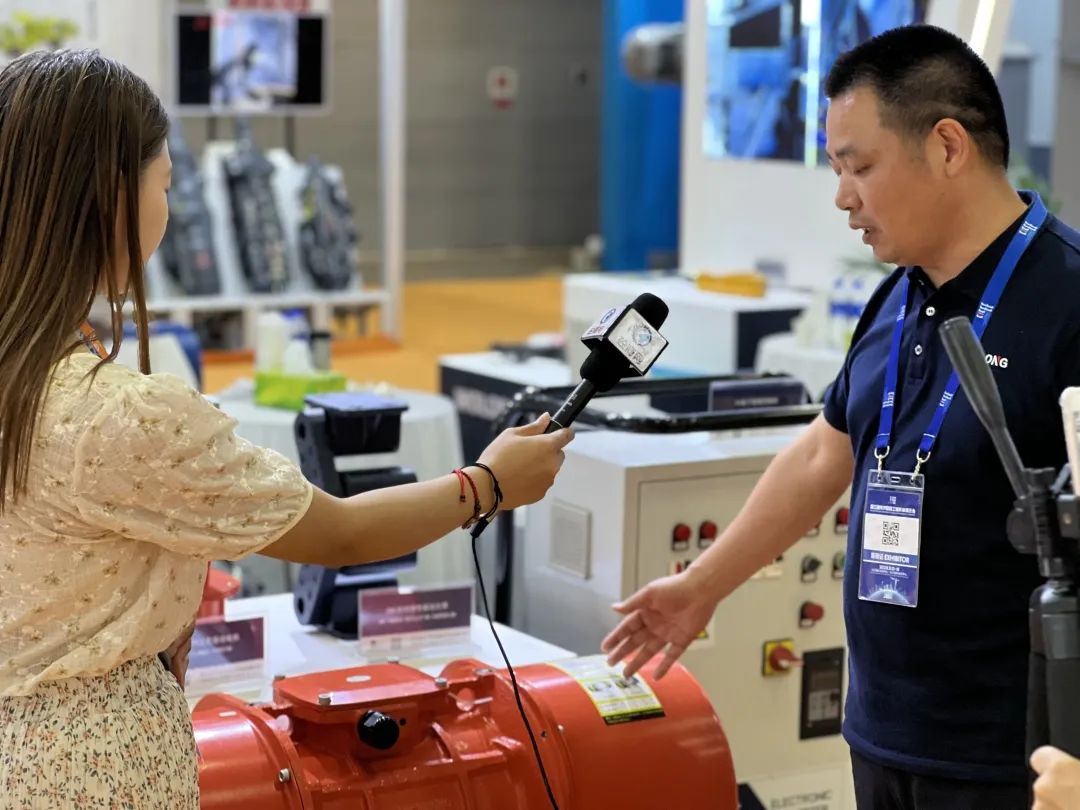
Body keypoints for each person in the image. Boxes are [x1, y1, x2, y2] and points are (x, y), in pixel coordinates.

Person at [0, 50, 573, 807]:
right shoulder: (120, 415)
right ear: (111, 198)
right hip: (91, 769)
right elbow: (339, 533)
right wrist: (487, 484)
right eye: (164, 183)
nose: (169, 206)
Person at [602, 23, 1080, 810]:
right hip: (882, 735)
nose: (843, 197)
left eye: (860, 167)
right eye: (836, 170)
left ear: (948, 147)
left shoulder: (1067, 301)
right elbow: (825, 455)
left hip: (1019, 762)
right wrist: (703, 586)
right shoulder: (897, 296)